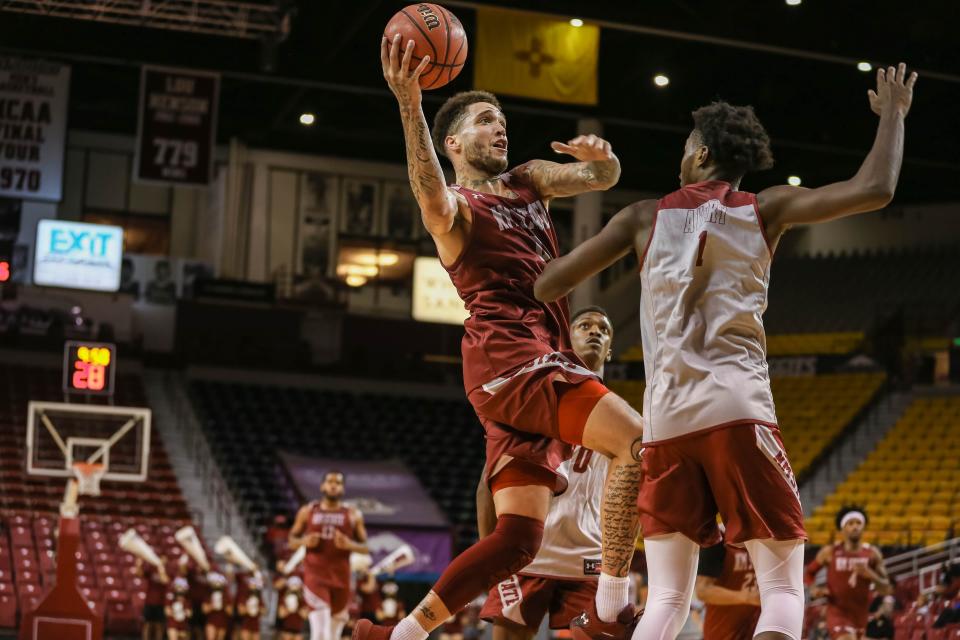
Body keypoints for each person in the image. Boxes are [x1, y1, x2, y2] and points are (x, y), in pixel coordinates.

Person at [534, 64, 918, 640]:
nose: (680, 158)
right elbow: (876, 189)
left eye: (687, 148)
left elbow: (546, 285)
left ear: (704, 155)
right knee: (784, 590)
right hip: (738, 408)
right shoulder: (766, 208)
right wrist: (893, 113)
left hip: (664, 421)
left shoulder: (642, 217)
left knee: (666, 598)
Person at [357, 32, 646, 640]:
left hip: (523, 368)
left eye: (504, 120)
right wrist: (409, 102)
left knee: (517, 540)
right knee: (637, 442)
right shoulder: (457, 208)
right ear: (454, 143)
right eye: (487, 120)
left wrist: (603, 158)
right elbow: (427, 191)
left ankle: (401, 635)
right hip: (515, 359)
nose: (501, 128)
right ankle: (615, 599)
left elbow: (597, 178)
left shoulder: (526, 181)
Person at [478, 307, 614, 640]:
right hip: (527, 560)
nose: (595, 331)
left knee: (594, 635)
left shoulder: (621, 416)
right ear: (565, 340)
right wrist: (491, 556)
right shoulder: (534, 402)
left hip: (588, 564)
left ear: (610, 349)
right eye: (584, 326)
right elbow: (487, 484)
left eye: (604, 329)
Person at [289, 471, 369, 640]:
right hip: (315, 576)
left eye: (338, 482)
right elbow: (291, 540)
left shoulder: (353, 514)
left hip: (341, 577)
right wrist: (305, 541)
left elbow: (366, 547)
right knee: (320, 633)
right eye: (330, 481)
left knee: (333, 634)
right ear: (322, 486)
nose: (333, 485)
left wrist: (349, 544)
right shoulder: (308, 511)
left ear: (343, 488)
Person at [805, 507, 890, 640]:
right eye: (850, 523)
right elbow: (809, 573)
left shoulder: (873, 554)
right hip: (837, 611)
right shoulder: (830, 552)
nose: (855, 527)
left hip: (860, 613)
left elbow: (886, 588)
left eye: (858, 523)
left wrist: (871, 575)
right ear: (842, 528)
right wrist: (814, 588)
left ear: (863, 527)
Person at [695, 536, 761, 640]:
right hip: (721, 633)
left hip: (755, 631)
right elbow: (702, 590)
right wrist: (747, 596)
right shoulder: (717, 540)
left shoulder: (764, 539)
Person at [135, 557, 169, 640]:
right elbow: (139, 574)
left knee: (158, 626)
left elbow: (165, 581)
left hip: (161, 603)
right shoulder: (152, 569)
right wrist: (138, 565)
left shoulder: (167, 570)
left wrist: (161, 570)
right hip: (149, 602)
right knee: (147, 625)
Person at [278, 576, 311, 640]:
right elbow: (281, 615)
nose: (294, 587)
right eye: (292, 585)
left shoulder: (303, 600)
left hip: (299, 629)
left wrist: (297, 606)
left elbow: (305, 616)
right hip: (286, 628)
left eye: (296, 585)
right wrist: (289, 607)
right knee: (287, 637)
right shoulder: (284, 598)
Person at [203, 572, 232, 640]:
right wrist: (212, 606)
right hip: (211, 620)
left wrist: (223, 605)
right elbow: (204, 610)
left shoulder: (226, 596)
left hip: (222, 621)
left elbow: (230, 612)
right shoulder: (208, 595)